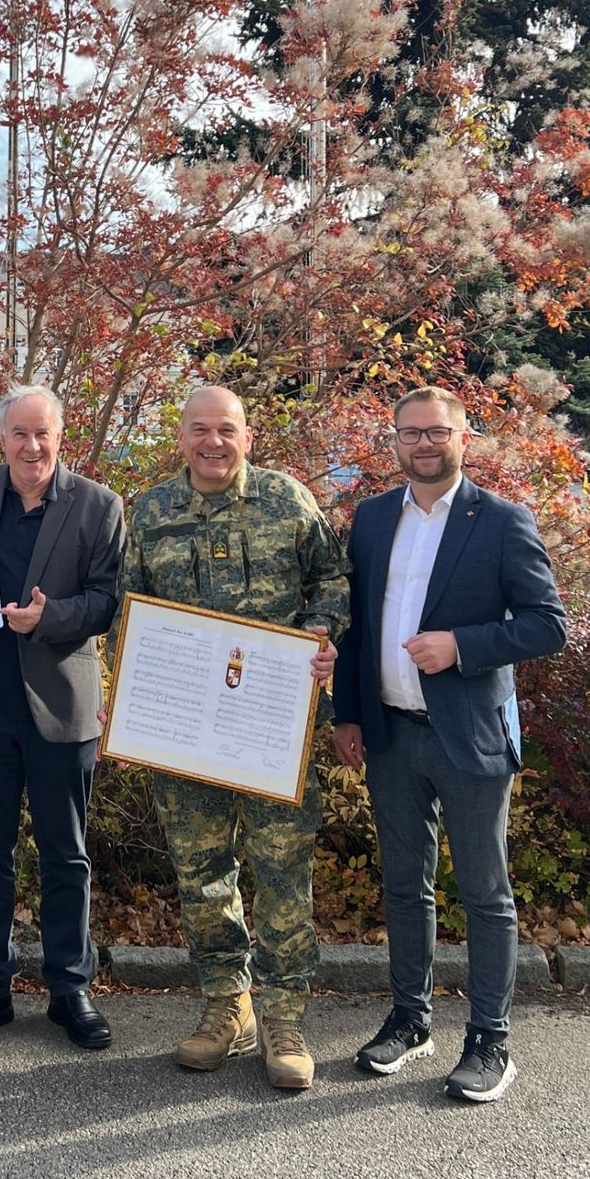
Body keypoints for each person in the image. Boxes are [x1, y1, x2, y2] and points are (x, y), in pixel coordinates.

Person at [333, 386, 567, 1103]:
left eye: (438, 432)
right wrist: (348, 716)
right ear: (394, 441)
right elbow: (355, 626)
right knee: (405, 885)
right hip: (393, 736)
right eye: (411, 433)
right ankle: (411, 1020)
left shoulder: (500, 521)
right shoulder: (371, 518)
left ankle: (491, 1041)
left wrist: (460, 646)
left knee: (484, 893)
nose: (424, 445)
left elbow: (546, 624)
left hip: (468, 736)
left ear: (465, 437)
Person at [110, 386, 347, 1090]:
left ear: (247, 436)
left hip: (274, 723)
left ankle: (283, 1016)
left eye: (227, 430)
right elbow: (130, 612)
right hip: (184, 729)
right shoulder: (150, 511)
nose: (214, 442)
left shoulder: (286, 499)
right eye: (200, 431)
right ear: (179, 438)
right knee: (202, 869)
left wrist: (323, 631)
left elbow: (333, 579)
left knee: (280, 870)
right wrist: (125, 701)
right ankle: (226, 1004)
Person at [0, 386, 125, 1052]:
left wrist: (52, 618)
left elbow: (107, 602)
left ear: (61, 434)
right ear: (2, 435)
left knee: (65, 855)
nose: (32, 446)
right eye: (19, 433)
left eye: (43, 433)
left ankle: (70, 987)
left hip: (62, 710)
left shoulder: (99, 505)